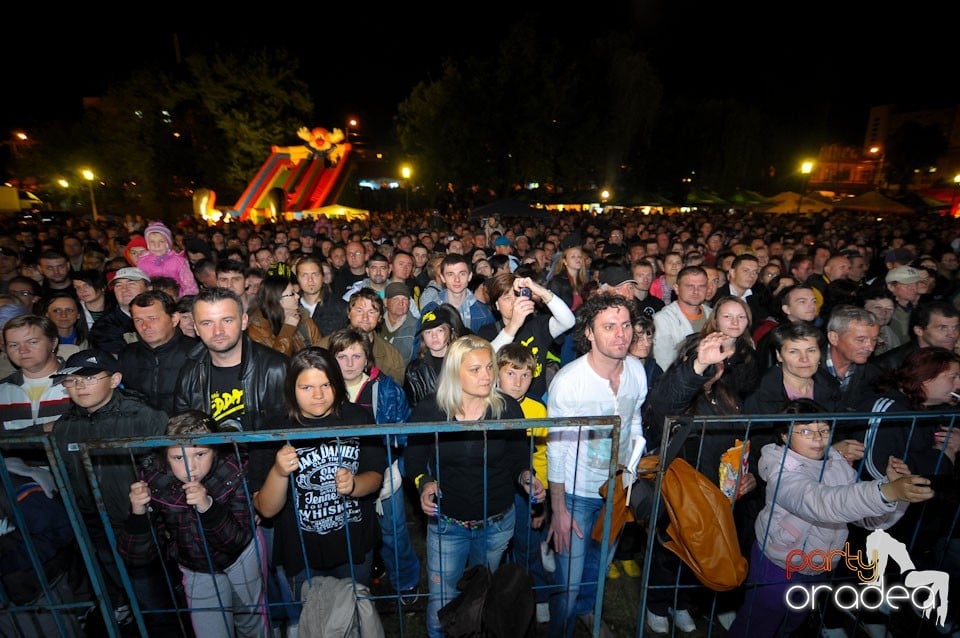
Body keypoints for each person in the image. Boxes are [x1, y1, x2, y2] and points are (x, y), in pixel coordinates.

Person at [726, 399, 932, 638]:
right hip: (778, 564)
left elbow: (866, 518)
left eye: (824, 430)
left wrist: (894, 492)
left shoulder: (837, 465)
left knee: (792, 620)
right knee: (758, 623)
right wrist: (886, 492)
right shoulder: (781, 470)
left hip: (817, 565)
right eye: (805, 431)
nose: (818, 438)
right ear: (783, 435)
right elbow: (820, 503)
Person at [406, 335, 543, 638]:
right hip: (447, 525)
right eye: (476, 369)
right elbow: (413, 459)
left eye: (490, 368)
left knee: (483, 599)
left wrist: (525, 476)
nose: (487, 376)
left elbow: (518, 455)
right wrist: (424, 483)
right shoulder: (431, 409)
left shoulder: (506, 408)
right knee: (441, 605)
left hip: (495, 523)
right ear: (456, 371)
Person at [250, 347, 385, 633]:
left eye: (326, 384)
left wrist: (354, 485)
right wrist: (278, 472)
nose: (318, 395)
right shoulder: (273, 426)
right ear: (291, 389)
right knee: (312, 620)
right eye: (307, 387)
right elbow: (265, 508)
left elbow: (376, 475)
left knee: (356, 613)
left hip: (353, 541)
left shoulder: (357, 418)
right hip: (300, 550)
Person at [49, 349, 174, 626]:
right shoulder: (64, 427)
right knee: (125, 592)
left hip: (140, 527)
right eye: (71, 380)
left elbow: (168, 471)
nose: (79, 385)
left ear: (115, 379)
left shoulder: (145, 418)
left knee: (154, 603)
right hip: (95, 527)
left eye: (89, 377)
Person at [546, 292, 646, 638]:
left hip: (618, 491)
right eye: (609, 327)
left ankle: (588, 615)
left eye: (626, 325)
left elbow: (634, 422)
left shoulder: (636, 370)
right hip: (576, 494)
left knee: (598, 569)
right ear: (589, 332)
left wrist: (631, 471)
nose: (620, 334)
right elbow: (556, 450)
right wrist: (558, 508)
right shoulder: (569, 382)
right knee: (568, 583)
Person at [120, 410, 267, 637]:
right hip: (195, 567)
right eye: (178, 458)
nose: (191, 467)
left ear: (215, 450)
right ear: (165, 456)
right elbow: (137, 556)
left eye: (200, 454)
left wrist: (208, 507)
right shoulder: (155, 480)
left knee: (252, 621)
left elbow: (235, 541)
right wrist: (139, 514)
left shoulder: (234, 469)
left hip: (241, 558)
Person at [327, 328, 422, 603]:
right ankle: (351, 589)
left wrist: (395, 466)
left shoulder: (387, 388)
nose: (349, 362)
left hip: (383, 474)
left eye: (356, 355)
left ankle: (406, 581)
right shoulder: (323, 389)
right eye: (341, 356)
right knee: (347, 534)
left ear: (367, 358)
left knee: (393, 533)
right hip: (337, 477)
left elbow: (404, 431)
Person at [174, 287, 288, 430]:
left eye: (227, 320)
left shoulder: (277, 368)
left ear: (244, 321)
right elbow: (184, 433)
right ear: (196, 328)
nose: (218, 331)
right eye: (207, 323)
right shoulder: (189, 373)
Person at [497, 343, 553, 625]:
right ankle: (505, 597)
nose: (518, 383)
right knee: (499, 548)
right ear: (497, 374)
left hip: (525, 491)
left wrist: (540, 500)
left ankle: (540, 595)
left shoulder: (537, 409)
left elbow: (541, 454)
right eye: (511, 374)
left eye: (525, 376)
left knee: (528, 545)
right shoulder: (487, 405)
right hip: (496, 489)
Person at [478, 272, 575, 401]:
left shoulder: (538, 325)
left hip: (536, 400)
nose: (514, 303)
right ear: (496, 304)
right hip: (500, 401)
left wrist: (541, 292)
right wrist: (514, 325)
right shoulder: (487, 331)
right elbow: (486, 359)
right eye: (507, 298)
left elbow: (568, 321)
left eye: (518, 296)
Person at [119, 290, 198, 415]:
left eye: (152, 318)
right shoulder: (127, 355)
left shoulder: (197, 354)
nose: (145, 326)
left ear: (174, 319)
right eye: (138, 320)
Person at [745, 322, 842, 413]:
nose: (804, 359)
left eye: (811, 350)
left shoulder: (832, 388)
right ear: (779, 356)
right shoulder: (759, 395)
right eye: (793, 352)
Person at [0, 314, 72, 433]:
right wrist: (46, 429)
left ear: (53, 343)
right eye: (13, 345)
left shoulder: (80, 383)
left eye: (32, 342)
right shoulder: (2, 391)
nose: (23, 350)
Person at [403, 303, 468, 406]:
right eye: (428, 332)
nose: (434, 336)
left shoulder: (464, 362)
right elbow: (413, 406)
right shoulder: (414, 370)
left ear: (450, 332)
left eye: (440, 330)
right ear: (423, 337)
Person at [247, 275, 322, 356]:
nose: (298, 296)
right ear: (277, 299)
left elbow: (321, 352)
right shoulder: (256, 330)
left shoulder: (305, 320)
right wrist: (288, 329)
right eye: (292, 293)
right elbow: (276, 363)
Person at [653, 266, 712, 370]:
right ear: (676, 288)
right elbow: (663, 364)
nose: (696, 291)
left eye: (701, 286)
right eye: (690, 286)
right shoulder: (663, 320)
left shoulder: (712, 315)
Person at [88, 267, 152, 357]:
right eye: (118, 285)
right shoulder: (104, 326)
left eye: (131, 283)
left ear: (149, 288)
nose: (124, 289)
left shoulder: (164, 317)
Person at [136, 221, 199, 297]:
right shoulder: (143, 262)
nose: (157, 246)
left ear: (168, 243)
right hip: (152, 301)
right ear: (147, 244)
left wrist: (183, 301)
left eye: (161, 242)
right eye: (152, 242)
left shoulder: (179, 261)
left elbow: (189, 285)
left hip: (176, 300)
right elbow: (140, 285)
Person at [294, 255, 348, 337]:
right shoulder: (291, 307)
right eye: (304, 275)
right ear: (297, 278)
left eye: (315, 274)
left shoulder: (340, 306)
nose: (310, 280)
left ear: (322, 277)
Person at [42, 291, 88, 358]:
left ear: (78, 314)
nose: (63, 315)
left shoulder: (90, 340)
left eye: (69, 310)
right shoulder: (40, 342)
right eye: (57, 310)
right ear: (47, 314)